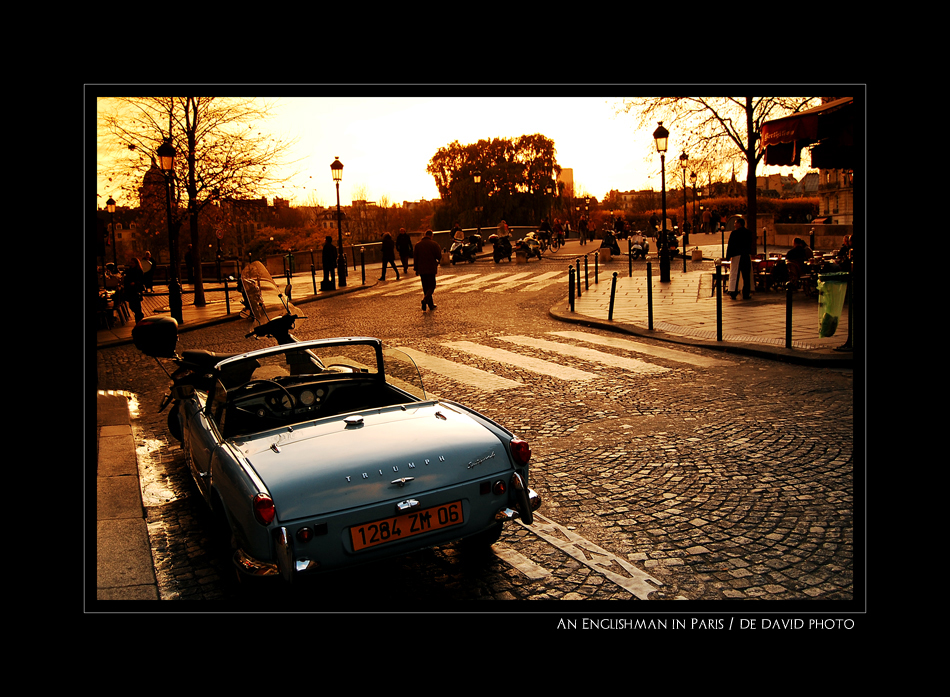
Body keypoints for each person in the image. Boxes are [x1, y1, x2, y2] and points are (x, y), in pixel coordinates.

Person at [725, 217, 753, 300]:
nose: (734, 225)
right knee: (746, 275)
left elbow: (730, 245)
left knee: (734, 274)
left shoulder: (734, 233)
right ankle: (746, 293)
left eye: (735, 223)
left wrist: (728, 256)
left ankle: (733, 291)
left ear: (739, 224)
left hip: (737, 255)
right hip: (746, 255)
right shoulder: (749, 233)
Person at [413, 229, 442, 311]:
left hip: (421, 269)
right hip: (431, 268)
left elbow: (415, 258)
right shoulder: (434, 244)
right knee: (432, 286)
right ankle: (425, 300)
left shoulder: (418, 245)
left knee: (425, 287)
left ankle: (430, 305)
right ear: (431, 235)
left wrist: (416, 269)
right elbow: (438, 256)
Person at [123, 256, 146, 322]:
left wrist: (135, 283)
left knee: (137, 306)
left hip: (136, 290)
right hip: (131, 290)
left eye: (132, 263)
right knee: (133, 306)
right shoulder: (129, 270)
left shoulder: (139, 271)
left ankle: (139, 319)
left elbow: (141, 280)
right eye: (130, 263)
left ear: (136, 264)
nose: (131, 264)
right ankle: (139, 316)